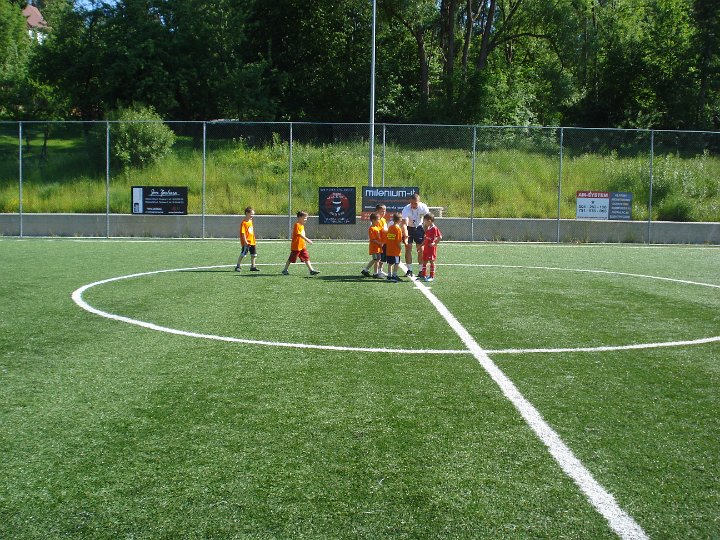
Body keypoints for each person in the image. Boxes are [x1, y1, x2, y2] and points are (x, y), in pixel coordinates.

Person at [282, 211, 320, 275]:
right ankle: (285, 269)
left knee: (306, 257)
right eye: (304, 218)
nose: (306, 219)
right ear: (299, 217)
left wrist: (304, 242)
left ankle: (311, 270)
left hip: (302, 246)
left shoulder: (302, 225)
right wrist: (307, 240)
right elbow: (299, 234)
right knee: (291, 258)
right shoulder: (297, 225)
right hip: (296, 246)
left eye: (306, 218)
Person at [401, 193, 430, 276]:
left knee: (420, 249)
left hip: (419, 228)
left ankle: (421, 270)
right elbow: (404, 224)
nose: (413, 205)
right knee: (408, 248)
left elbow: (428, 221)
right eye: (412, 203)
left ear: (419, 202)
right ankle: (409, 270)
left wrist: (427, 233)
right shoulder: (406, 209)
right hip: (409, 228)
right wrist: (406, 236)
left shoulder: (423, 207)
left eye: (415, 203)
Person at [384, 212, 407, 282]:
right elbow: (398, 241)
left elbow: (388, 237)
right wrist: (400, 248)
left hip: (389, 249)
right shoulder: (398, 229)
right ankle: (394, 275)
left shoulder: (390, 227)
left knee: (390, 263)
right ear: (400, 220)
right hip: (395, 250)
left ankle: (389, 276)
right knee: (396, 263)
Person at [235, 206, 259, 272]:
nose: (252, 216)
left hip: (252, 241)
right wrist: (245, 241)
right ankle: (238, 266)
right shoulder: (244, 223)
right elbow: (243, 233)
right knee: (243, 254)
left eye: (253, 214)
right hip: (247, 242)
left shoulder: (250, 221)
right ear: (247, 213)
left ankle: (253, 266)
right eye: (251, 214)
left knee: (254, 254)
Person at [419, 213, 442, 282]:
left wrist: (435, 243)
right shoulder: (428, 228)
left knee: (431, 261)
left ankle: (432, 276)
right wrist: (421, 245)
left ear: (429, 221)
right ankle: (423, 275)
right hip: (426, 248)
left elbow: (440, 237)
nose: (424, 222)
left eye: (425, 221)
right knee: (424, 261)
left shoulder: (434, 228)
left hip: (431, 249)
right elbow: (426, 239)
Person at [361, 212, 384, 277]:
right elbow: (373, 239)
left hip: (378, 247)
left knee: (375, 259)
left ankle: (365, 270)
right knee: (376, 260)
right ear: (373, 220)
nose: (379, 221)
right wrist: (379, 243)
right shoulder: (372, 228)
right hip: (374, 247)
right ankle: (375, 273)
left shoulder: (376, 227)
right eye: (378, 219)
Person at [375, 204, 388, 278]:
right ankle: (377, 272)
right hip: (379, 242)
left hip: (384, 241)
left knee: (383, 258)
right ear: (377, 211)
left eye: (385, 211)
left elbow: (385, 229)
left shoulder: (384, 220)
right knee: (378, 258)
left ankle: (380, 270)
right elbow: (381, 230)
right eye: (382, 211)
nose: (383, 212)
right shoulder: (377, 221)